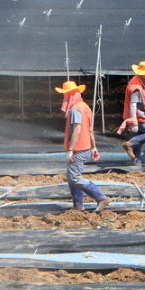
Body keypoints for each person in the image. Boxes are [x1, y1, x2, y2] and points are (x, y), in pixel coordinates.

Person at [57, 80, 110, 213]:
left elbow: (77, 130)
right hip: (86, 146)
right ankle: (78, 206)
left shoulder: (75, 109)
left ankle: (101, 197)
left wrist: (70, 150)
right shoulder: (85, 107)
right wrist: (93, 147)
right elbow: (90, 129)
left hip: (78, 148)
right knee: (72, 177)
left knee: (74, 178)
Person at [120, 61, 145, 166]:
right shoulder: (136, 87)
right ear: (144, 73)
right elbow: (133, 105)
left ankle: (137, 163)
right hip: (139, 118)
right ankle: (130, 144)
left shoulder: (140, 83)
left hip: (136, 117)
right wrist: (134, 122)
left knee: (138, 145)